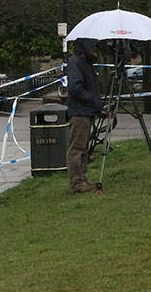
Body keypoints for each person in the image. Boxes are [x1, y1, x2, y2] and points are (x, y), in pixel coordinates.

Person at [65, 38, 103, 193]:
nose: (95, 50)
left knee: (83, 148)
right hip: (80, 112)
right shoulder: (75, 63)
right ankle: (77, 182)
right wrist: (92, 99)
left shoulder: (85, 63)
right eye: (92, 47)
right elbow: (75, 88)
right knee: (77, 148)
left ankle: (83, 178)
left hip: (86, 111)